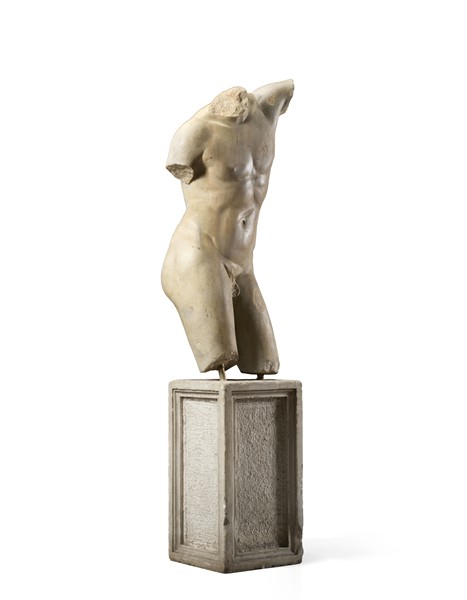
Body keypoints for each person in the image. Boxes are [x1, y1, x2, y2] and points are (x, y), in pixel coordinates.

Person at [162, 80, 294, 377]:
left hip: (243, 266)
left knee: (265, 362)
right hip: (200, 257)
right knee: (221, 355)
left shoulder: (266, 114)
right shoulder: (195, 133)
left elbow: (288, 87)